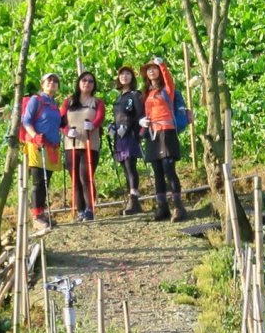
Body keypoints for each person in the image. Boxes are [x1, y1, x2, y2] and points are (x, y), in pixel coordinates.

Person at [139, 56, 192, 222]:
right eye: (149, 69)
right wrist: (143, 122)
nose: (151, 71)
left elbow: (169, 79)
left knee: (169, 168)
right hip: (153, 133)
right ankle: (162, 208)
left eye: (153, 68)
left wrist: (162, 64)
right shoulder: (146, 93)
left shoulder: (167, 90)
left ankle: (178, 206)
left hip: (167, 132)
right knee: (158, 172)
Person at [21, 72, 63, 235]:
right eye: (49, 81)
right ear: (42, 84)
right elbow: (26, 120)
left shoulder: (53, 104)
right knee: (38, 182)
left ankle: (42, 212)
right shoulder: (36, 100)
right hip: (37, 145)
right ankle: (36, 216)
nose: (52, 83)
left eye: (55, 81)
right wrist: (34, 135)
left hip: (51, 147)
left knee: (46, 181)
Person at [60, 71, 105, 222]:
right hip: (71, 144)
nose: (87, 83)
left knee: (85, 176)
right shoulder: (68, 102)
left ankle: (90, 208)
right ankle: (80, 210)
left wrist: (92, 125)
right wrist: (67, 131)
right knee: (75, 179)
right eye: (84, 80)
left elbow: (100, 117)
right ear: (79, 83)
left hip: (89, 144)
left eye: (91, 81)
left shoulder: (97, 102)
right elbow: (61, 121)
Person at [111, 65, 144, 215]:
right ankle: (131, 201)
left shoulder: (135, 95)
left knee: (131, 166)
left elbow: (138, 114)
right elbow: (117, 116)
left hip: (129, 135)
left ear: (132, 77)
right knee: (125, 167)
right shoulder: (119, 97)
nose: (124, 76)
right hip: (119, 135)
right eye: (122, 74)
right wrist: (113, 126)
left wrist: (129, 126)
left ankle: (134, 199)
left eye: (128, 74)